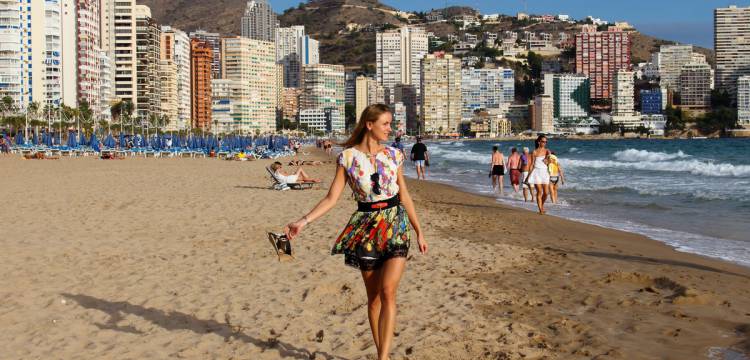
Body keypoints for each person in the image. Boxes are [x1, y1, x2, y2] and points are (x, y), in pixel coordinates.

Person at [284, 104, 427, 360]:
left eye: (390, 124)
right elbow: (331, 198)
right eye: (385, 124)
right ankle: (380, 351)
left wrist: (419, 231)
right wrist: (302, 221)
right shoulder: (347, 157)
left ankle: (383, 358)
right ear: (369, 125)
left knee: (388, 291)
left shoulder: (395, 155)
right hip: (365, 228)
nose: (390, 129)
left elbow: (404, 194)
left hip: (396, 224)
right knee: (373, 299)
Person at [524, 135, 551, 214]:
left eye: (546, 142)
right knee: (539, 191)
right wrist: (528, 177)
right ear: (539, 142)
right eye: (543, 141)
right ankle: (540, 210)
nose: (545, 143)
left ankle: (541, 205)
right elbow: (532, 165)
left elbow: (550, 161)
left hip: (545, 173)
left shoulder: (547, 151)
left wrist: (547, 160)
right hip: (537, 173)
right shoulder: (534, 152)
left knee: (546, 193)